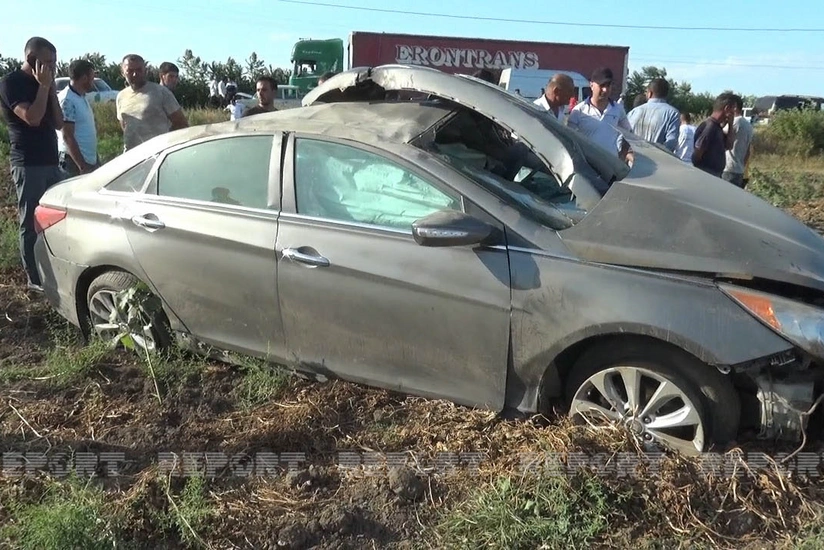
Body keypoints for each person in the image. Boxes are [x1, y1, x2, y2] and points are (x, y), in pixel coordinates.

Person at [0, 36, 64, 292]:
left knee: (56, 217)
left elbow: (58, 123)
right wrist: (43, 87)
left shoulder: (46, 84)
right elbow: (33, 118)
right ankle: (34, 279)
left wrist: (50, 91)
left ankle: (55, 268)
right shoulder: (10, 83)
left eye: (55, 63)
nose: (52, 68)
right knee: (31, 222)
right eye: (48, 62)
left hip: (51, 160)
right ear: (30, 60)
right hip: (29, 164)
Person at [116, 54, 188, 152]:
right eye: (130, 71)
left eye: (138, 70)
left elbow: (181, 124)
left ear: (145, 70)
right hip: (132, 156)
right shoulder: (121, 96)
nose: (134, 74)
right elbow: (124, 125)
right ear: (123, 72)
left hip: (158, 154)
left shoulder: (161, 92)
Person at [567, 67, 634, 165]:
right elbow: (569, 139)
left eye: (608, 85)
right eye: (602, 85)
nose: (605, 90)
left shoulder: (618, 109)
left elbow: (629, 136)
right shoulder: (579, 111)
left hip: (611, 166)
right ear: (591, 85)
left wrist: (623, 155)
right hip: (588, 166)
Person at [57, 59, 99, 177]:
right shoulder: (67, 100)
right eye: (92, 78)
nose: (93, 82)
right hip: (74, 163)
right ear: (84, 78)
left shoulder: (80, 96)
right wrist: (82, 165)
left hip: (89, 159)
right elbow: (67, 135)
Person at [627, 78, 681, 152]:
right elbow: (671, 143)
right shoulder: (673, 113)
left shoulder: (633, 112)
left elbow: (622, 138)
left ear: (650, 93)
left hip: (634, 159)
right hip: (658, 160)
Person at [692, 92, 738, 178]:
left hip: (714, 175)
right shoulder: (710, 127)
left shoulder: (717, 127)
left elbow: (729, 145)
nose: (734, 113)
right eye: (733, 110)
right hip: (707, 175)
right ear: (727, 108)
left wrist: (730, 125)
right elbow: (698, 152)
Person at [722, 97, 754, 189]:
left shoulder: (736, 122)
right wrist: (742, 167)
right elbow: (748, 151)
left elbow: (721, 134)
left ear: (735, 107)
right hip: (739, 170)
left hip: (728, 168)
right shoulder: (749, 125)